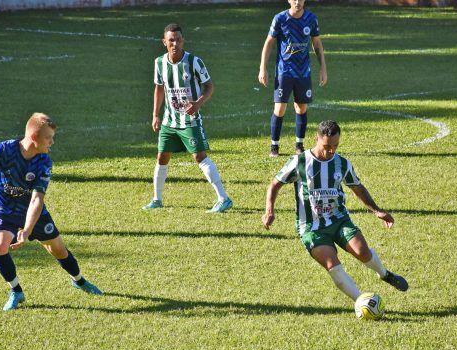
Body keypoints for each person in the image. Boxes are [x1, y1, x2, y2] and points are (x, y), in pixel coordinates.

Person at [0, 113, 102, 311]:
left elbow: (36, 199)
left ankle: (78, 280)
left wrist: (26, 230)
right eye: (48, 137)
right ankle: (16, 291)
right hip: (4, 210)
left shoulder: (43, 163)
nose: (52, 142)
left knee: (58, 250)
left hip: (32, 213)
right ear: (34, 138)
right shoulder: (3, 150)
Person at [262, 120, 408, 305]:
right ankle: (362, 303)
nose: (331, 151)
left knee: (363, 252)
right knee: (333, 265)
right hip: (311, 228)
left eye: (335, 146)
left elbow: (358, 188)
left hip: (339, 220)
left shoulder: (342, 164)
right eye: (327, 146)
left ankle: (385, 274)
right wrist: (269, 211)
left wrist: (377, 211)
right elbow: (275, 185)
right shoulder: (299, 162)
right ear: (316, 138)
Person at [143, 23, 233, 213]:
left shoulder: (194, 62)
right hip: (169, 120)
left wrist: (198, 104)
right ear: (164, 42)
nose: (175, 44)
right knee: (162, 157)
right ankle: (157, 199)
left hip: (189, 120)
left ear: (183, 41)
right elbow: (159, 88)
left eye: (178, 40)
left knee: (199, 156)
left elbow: (209, 86)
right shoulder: (159, 63)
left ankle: (223, 198)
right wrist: (155, 114)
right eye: (171, 40)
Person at [258, 0, 328, 157]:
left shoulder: (311, 19)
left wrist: (323, 68)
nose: (297, 2)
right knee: (280, 108)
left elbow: (316, 44)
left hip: (303, 73)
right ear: (289, 0)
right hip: (284, 72)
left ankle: (299, 145)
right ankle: (274, 146)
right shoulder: (280, 19)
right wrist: (263, 68)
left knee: (301, 108)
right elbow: (268, 43)